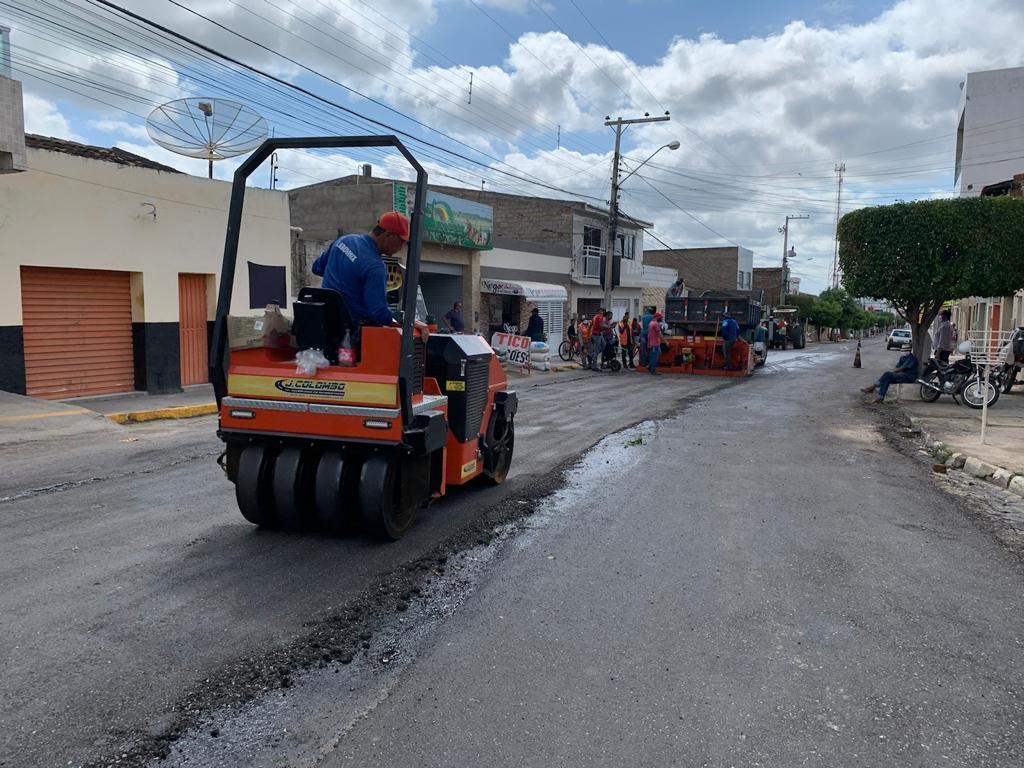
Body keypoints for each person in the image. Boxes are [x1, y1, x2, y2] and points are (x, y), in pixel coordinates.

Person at [312, 211, 408, 327]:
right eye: (401, 241)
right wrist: (406, 324)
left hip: (323, 323)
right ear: (388, 235)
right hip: (351, 333)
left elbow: (317, 268)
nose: (400, 248)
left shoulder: (343, 240)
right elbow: (378, 313)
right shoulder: (375, 267)